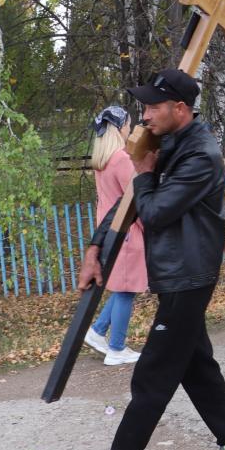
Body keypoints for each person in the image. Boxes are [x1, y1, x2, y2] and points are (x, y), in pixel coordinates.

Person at [70, 69, 225, 450]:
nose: (145, 114)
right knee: (195, 364)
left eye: (153, 106)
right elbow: (127, 204)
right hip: (175, 272)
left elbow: (153, 212)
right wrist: (96, 247)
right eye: (144, 106)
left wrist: (143, 172)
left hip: (189, 275)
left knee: (154, 372)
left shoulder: (201, 155)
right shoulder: (168, 144)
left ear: (180, 108)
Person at [82, 106, 146, 366]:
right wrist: (148, 225)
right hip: (127, 232)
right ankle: (117, 348)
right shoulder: (121, 159)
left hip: (109, 230)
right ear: (120, 128)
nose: (129, 129)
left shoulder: (102, 160)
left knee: (121, 288)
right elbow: (134, 200)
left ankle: (97, 331)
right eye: (127, 125)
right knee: (126, 289)